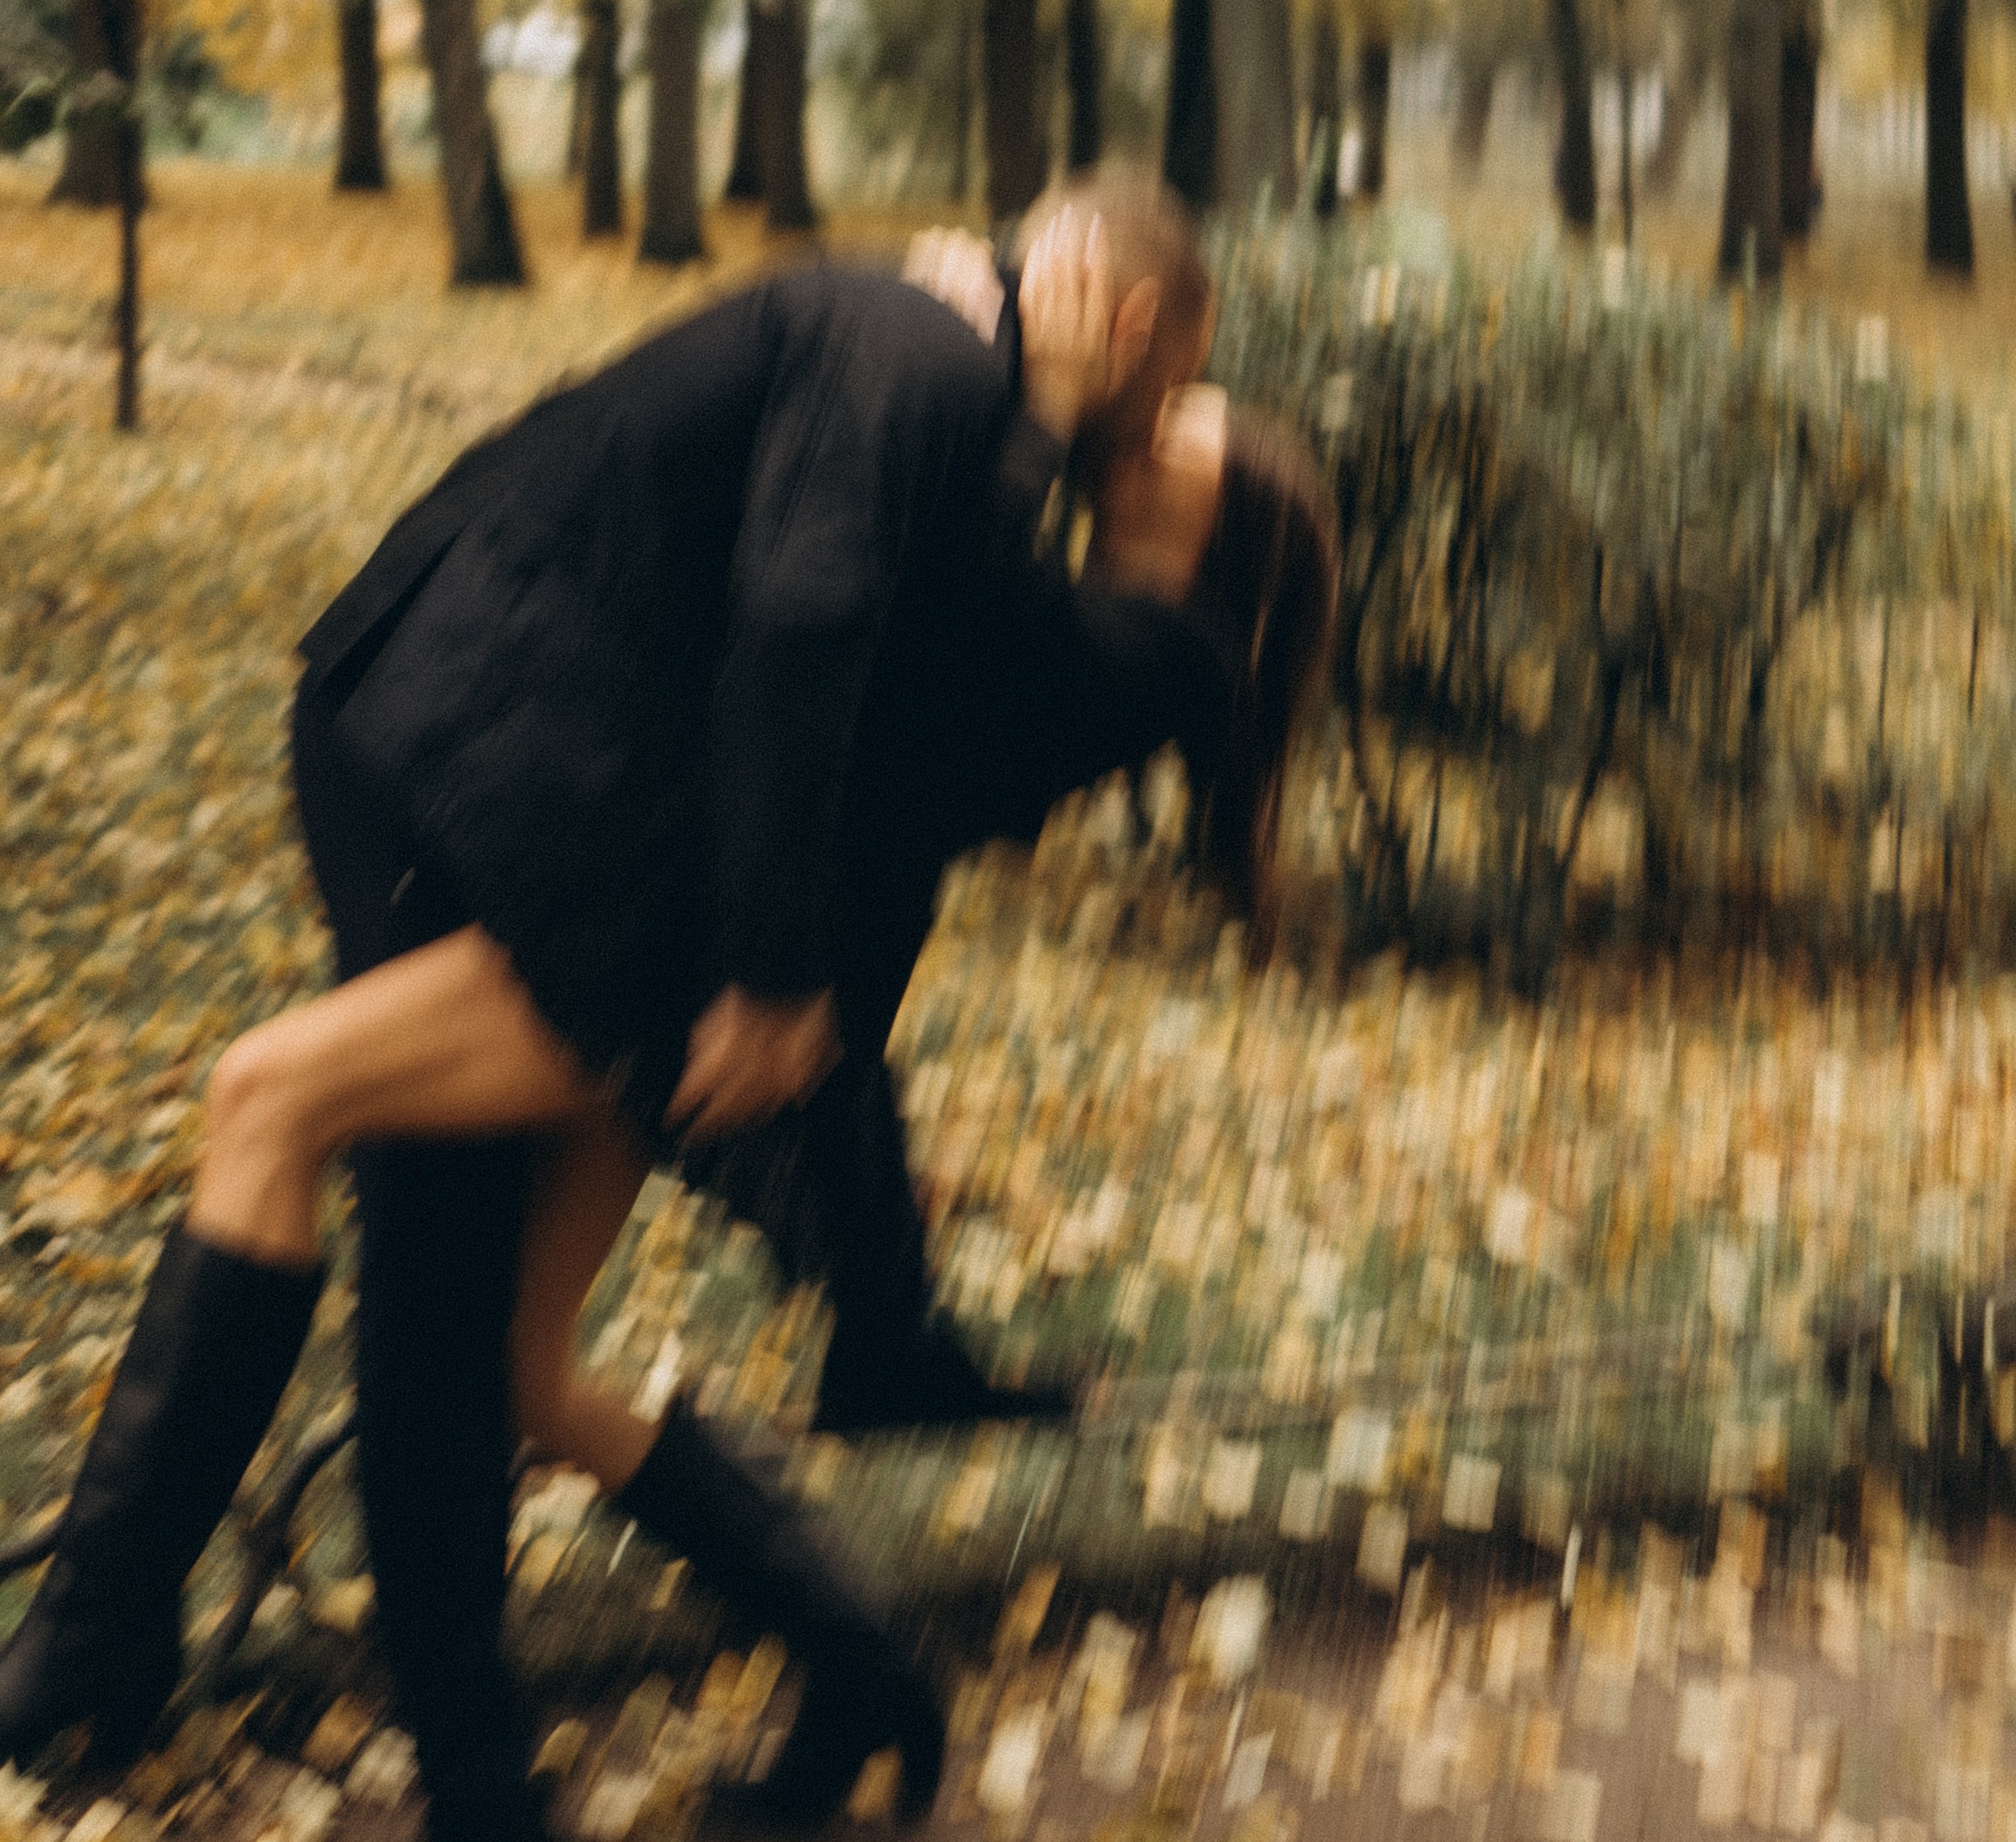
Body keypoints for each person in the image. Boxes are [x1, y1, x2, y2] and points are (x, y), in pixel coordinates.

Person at [0, 195, 1251, 1842]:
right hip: (479, 776)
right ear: (1132, 328)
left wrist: (1029, 429)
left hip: (592, 858)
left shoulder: (956, 404)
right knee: (458, 1328)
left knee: (468, 1333)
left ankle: (182, 1672)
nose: (1152, 431)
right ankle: (351, 1732)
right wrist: (779, 977)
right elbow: (822, 619)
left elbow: (883, 647)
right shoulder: (916, 351)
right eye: (1174, 397)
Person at [702, 214, 1343, 1434]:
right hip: (845, 868)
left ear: (1226, 539)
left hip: (834, 876)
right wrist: (966, 342)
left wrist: (1040, 407)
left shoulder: (1172, 655)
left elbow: (955, 608)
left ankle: (879, 1340)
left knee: (802, 1086)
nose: (1151, 430)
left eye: (1180, 438)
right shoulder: (1107, 594)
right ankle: (887, 1348)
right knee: (837, 1107)